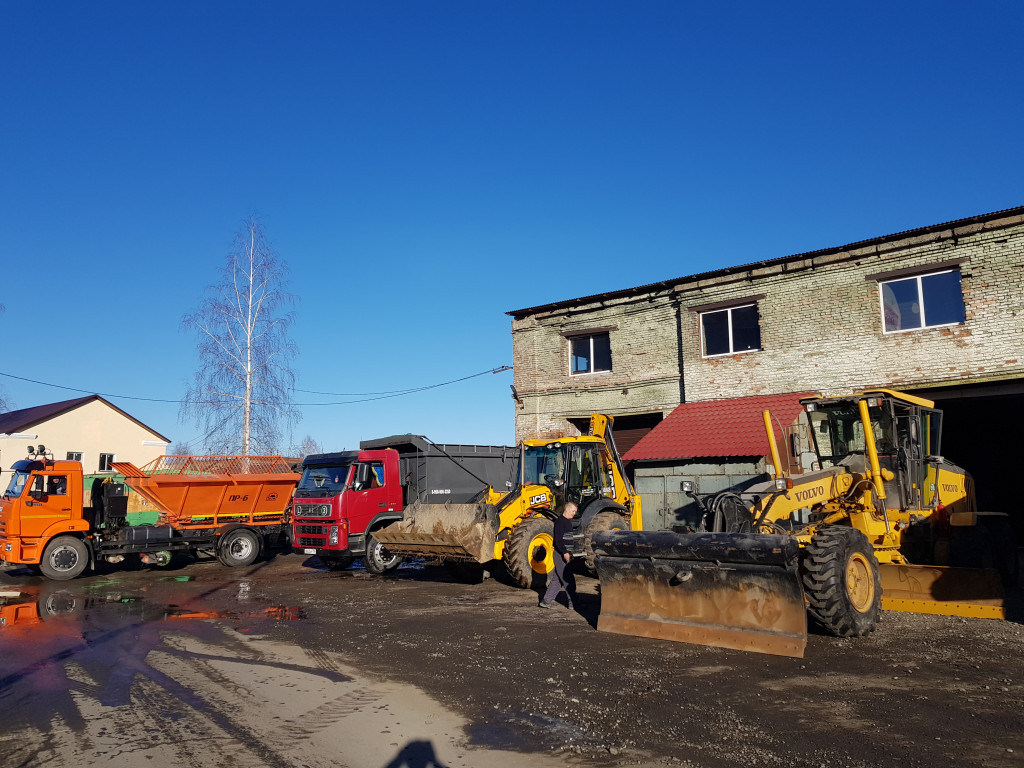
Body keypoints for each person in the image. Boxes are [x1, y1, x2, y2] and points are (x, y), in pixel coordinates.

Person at [540, 502, 578, 609]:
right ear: (567, 509)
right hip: (560, 554)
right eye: (573, 511)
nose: (574, 513)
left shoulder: (567, 522)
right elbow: (558, 540)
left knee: (557, 580)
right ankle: (573, 603)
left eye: (575, 512)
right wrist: (565, 552)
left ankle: (546, 601)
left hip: (565, 554)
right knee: (568, 579)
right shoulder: (560, 522)